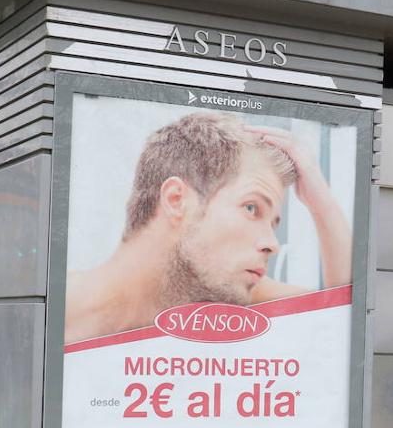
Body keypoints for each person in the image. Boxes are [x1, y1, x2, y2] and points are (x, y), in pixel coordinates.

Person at [64, 112, 351, 344]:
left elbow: (345, 317)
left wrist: (321, 202)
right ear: (177, 200)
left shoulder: (225, 289)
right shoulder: (59, 314)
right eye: (252, 208)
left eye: (273, 223)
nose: (272, 244)